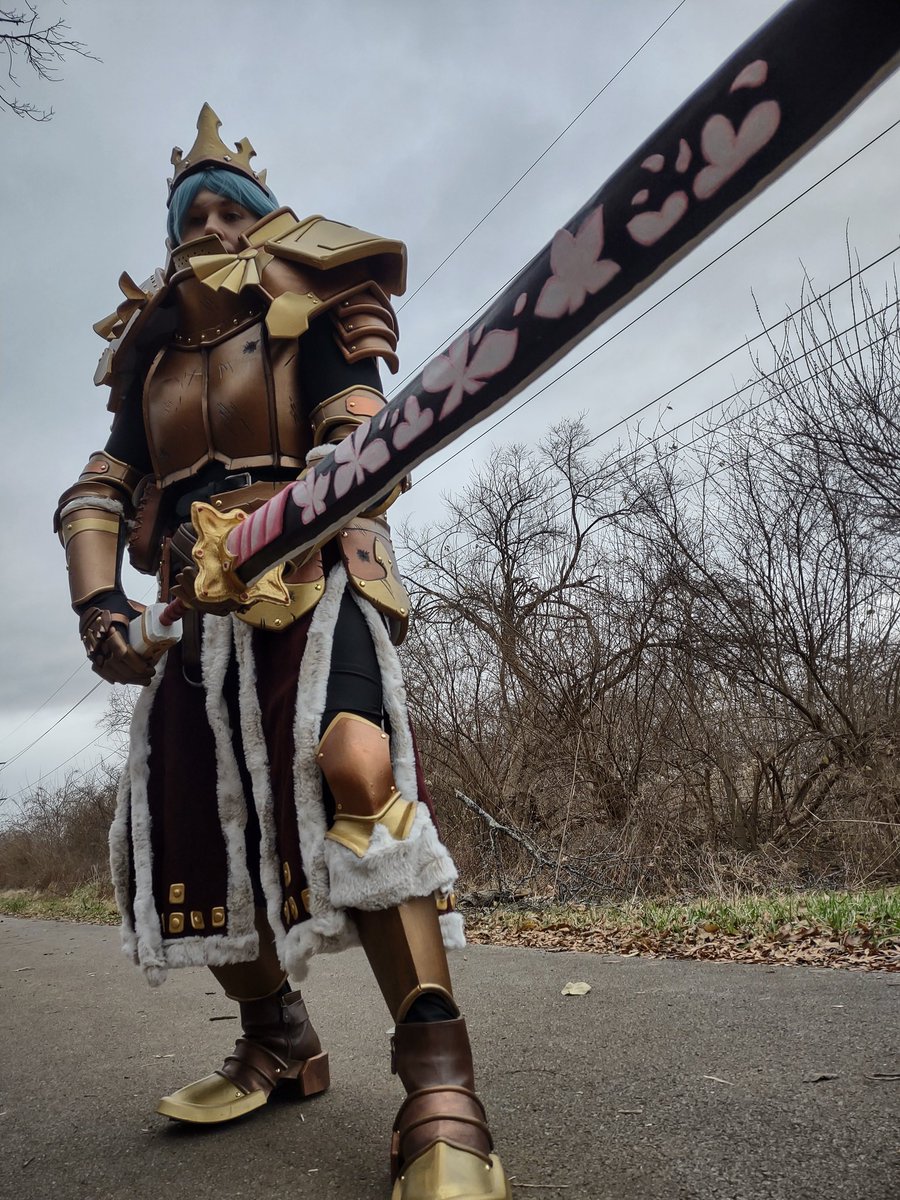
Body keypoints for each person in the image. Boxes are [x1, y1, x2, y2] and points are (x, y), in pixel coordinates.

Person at [56, 103, 510, 1200]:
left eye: (231, 209)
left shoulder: (321, 299)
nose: (212, 226)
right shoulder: (150, 353)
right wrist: (100, 605)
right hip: (192, 611)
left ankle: (440, 1088)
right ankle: (279, 1039)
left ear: (265, 218)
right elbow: (100, 488)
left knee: (356, 765)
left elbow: (367, 435)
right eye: (193, 215)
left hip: (312, 575)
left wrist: (299, 508)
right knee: (193, 828)